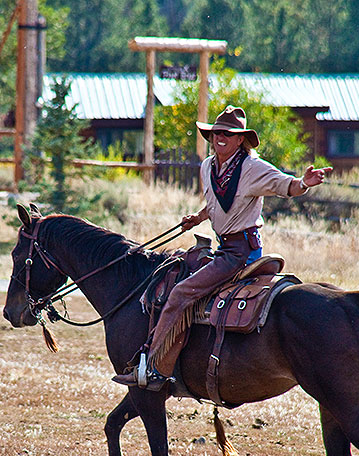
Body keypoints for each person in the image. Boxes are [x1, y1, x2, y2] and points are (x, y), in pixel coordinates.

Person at [113, 105, 333, 390]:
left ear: (240, 139)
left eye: (227, 133)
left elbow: (284, 184)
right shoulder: (208, 167)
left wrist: (304, 183)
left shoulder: (253, 168)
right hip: (223, 248)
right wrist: (199, 217)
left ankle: (154, 368)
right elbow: (217, 202)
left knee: (180, 294)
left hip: (240, 253)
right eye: (216, 131)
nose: (220, 136)